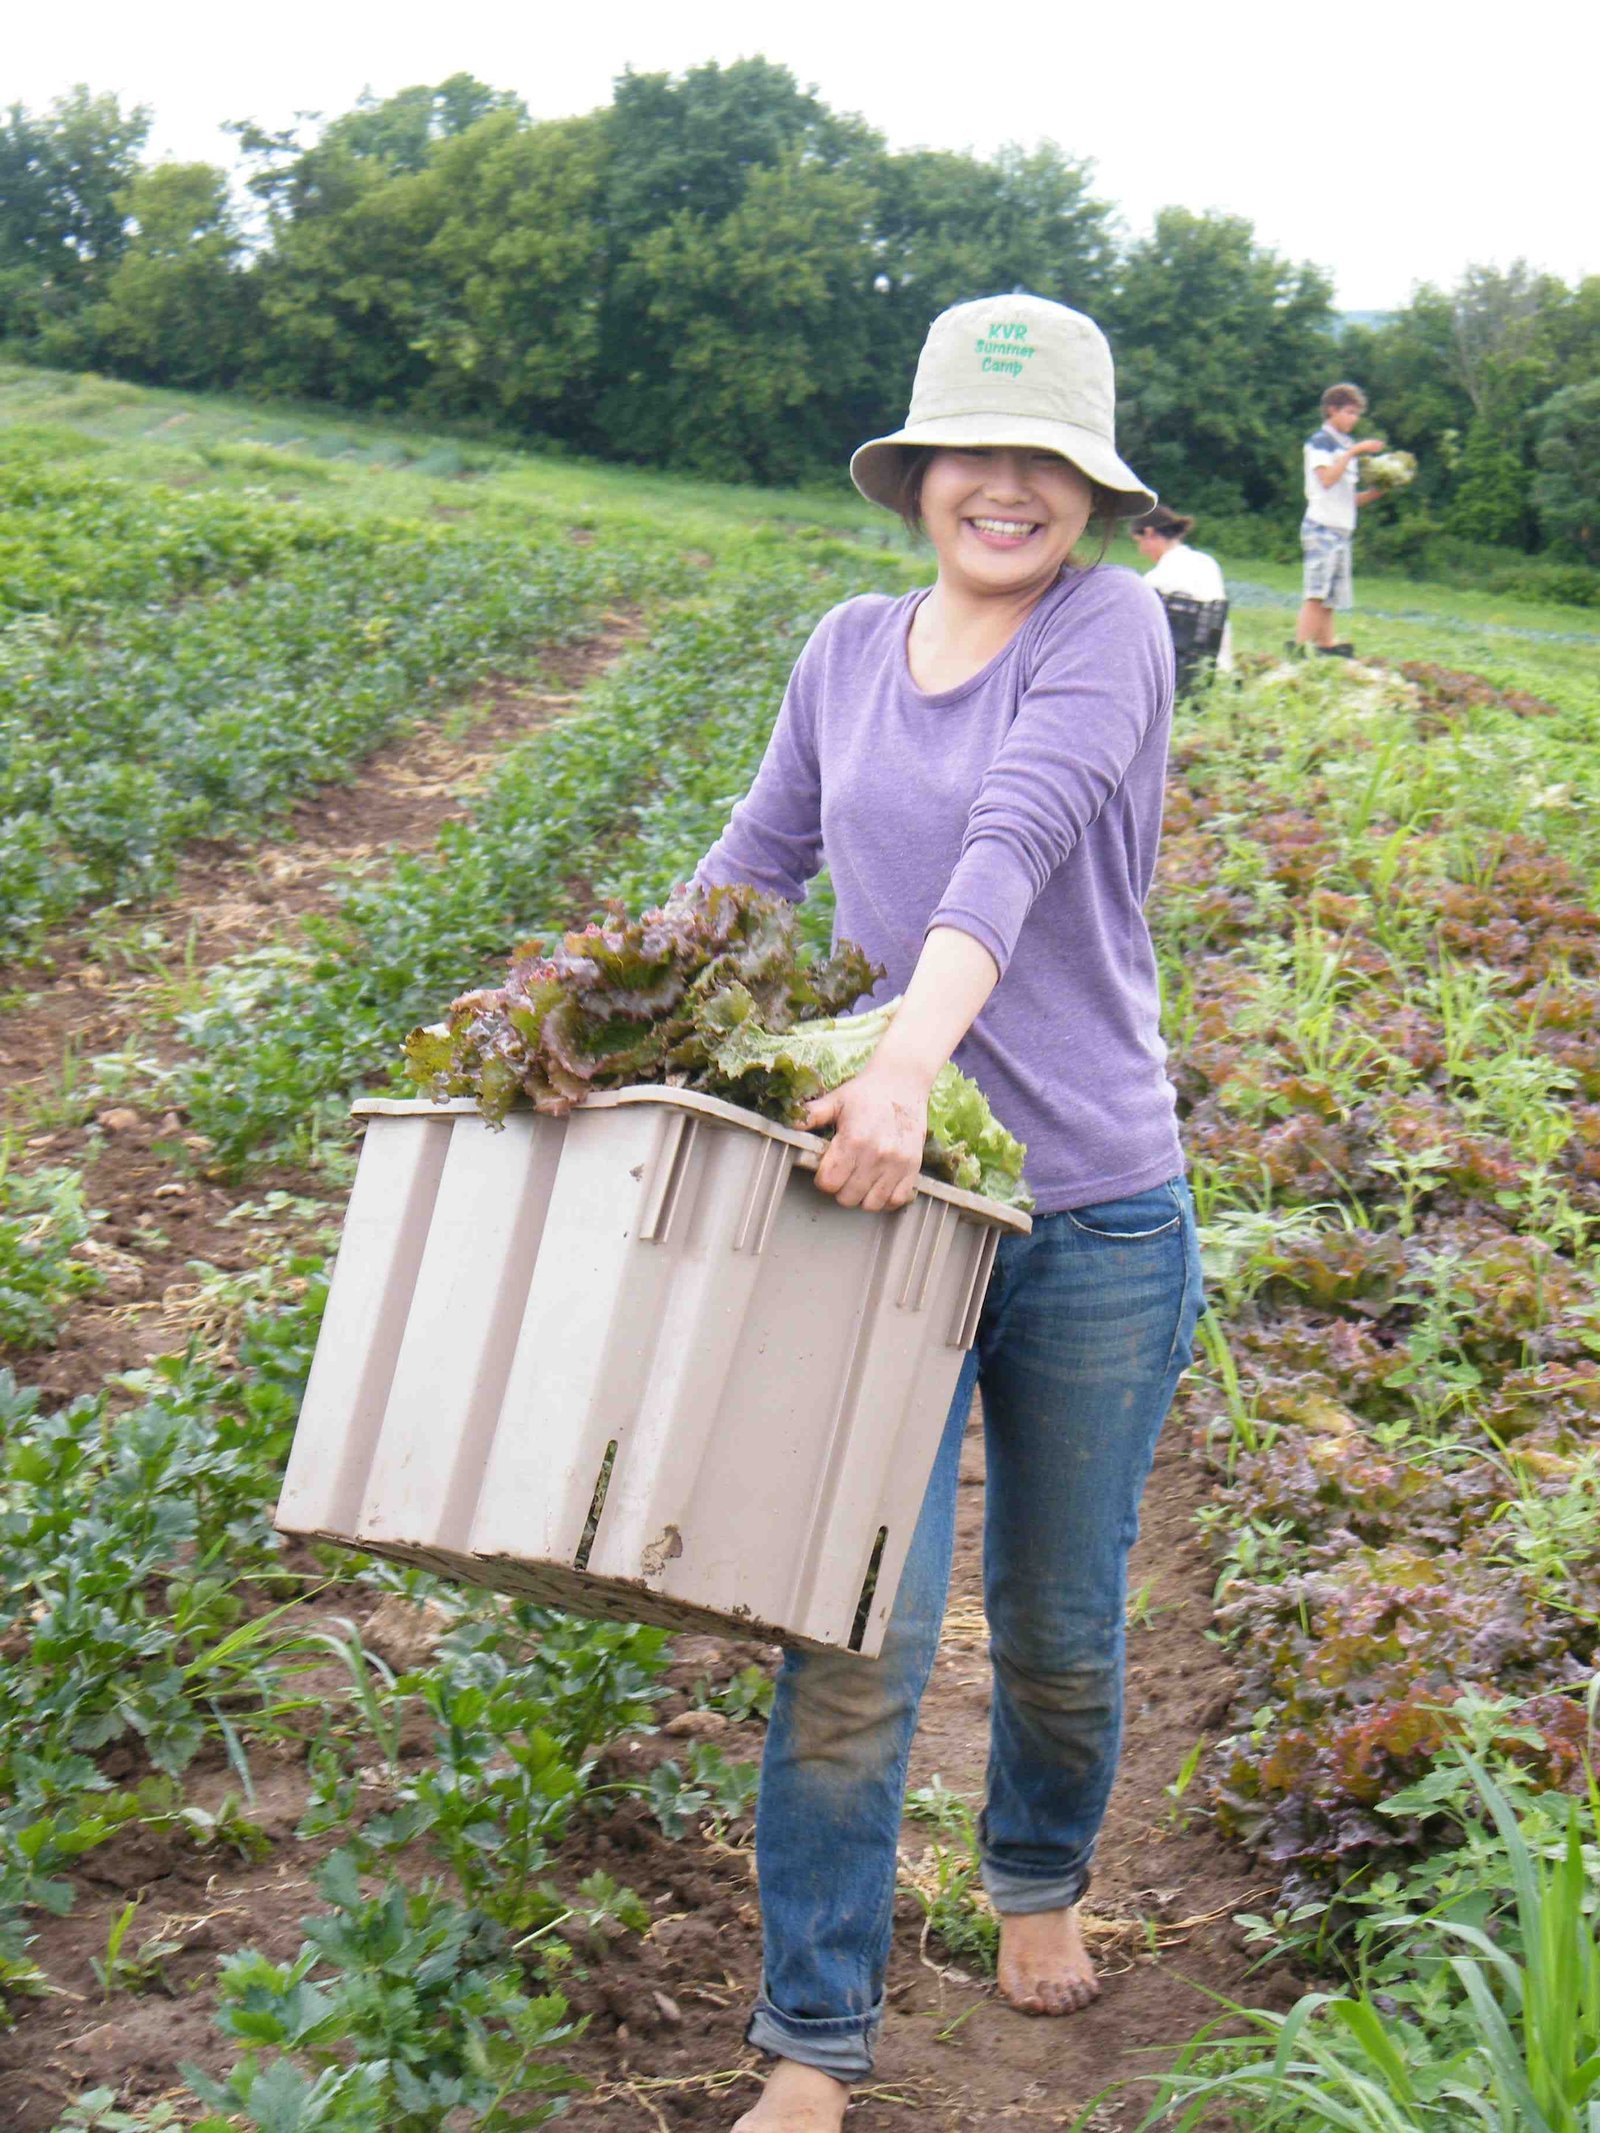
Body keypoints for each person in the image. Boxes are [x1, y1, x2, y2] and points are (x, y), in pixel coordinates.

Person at [691, 293, 1205, 2133]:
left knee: (1057, 1620)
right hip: (881, 1207)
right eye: (975, 456)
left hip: (1087, 1205)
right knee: (849, 1636)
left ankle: (1039, 1872)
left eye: (1046, 460)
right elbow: (750, 866)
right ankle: (813, 2040)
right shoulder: (843, 646)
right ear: (919, 475)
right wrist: (598, 1016)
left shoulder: (1112, 627)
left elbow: (1016, 834)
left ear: (1088, 488)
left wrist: (907, 1060)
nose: (1007, 488)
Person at [1295, 382, 1388, 653]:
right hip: (1321, 526)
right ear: (1331, 410)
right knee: (1316, 592)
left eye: (1356, 414)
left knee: (1331, 596)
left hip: (1342, 528)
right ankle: (1299, 649)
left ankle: (1326, 645)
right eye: (1348, 412)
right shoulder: (1320, 443)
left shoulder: (1344, 445)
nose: (1353, 419)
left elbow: (1349, 499)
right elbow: (1326, 479)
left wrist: (1378, 491)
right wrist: (1354, 452)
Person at [1130, 504, 1234, 679]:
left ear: (1149, 533)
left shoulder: (1155, 579)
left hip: (1172, 671)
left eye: (1139, 543)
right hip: (1215, 665)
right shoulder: (1207, 563)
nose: (1141, 551)